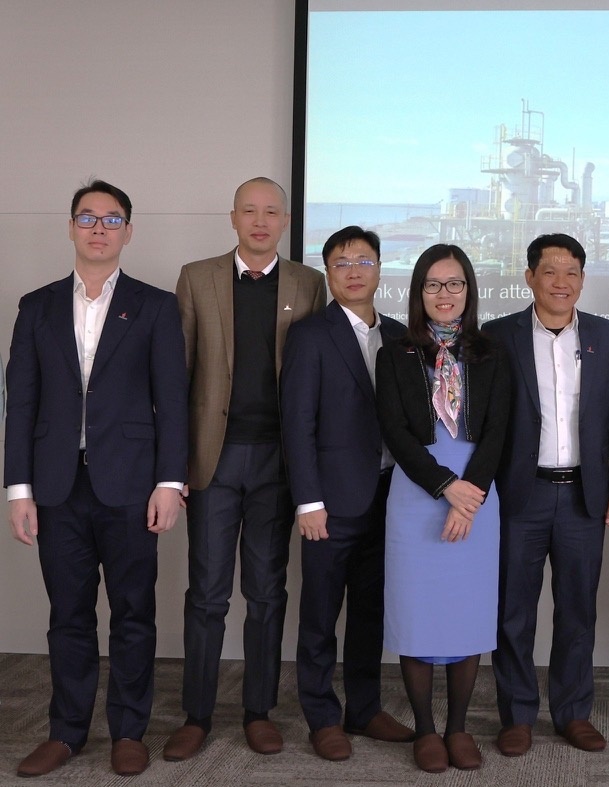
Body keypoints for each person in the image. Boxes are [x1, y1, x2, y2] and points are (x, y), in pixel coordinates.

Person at [5, 181, 187, 777]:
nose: (99, 228)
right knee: (68, 615)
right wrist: (19, 490)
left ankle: (129, 730)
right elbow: (20, 404)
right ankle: (66, 732)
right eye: (88, 218)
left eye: (112, 219)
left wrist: (170, 482)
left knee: (133, 612)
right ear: (71, 227)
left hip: (132, 485)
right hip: (56, 487)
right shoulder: (36, 307)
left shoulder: (154, 306)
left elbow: (173, 402)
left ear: (128, 231)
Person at [165, 177, 327, 761]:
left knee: (266, 592)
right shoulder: (196, 277)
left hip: (278, 462)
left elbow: (315, 376)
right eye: (250, 211)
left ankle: (259, 711)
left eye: (271, 212)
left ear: (285, 221)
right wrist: (173, 467)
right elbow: (177, 374)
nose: (260, 221)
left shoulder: (309, 283)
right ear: (233, 218)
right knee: (207, 593)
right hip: (214, 458)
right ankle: (197, 715)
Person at [485, 234, 609, 756]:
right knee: (513, 612)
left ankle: (573, 712)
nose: (561, 282)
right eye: (549, 271)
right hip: (519, 496)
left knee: (578, 612)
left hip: (583, 496)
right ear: (530, 277)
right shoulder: (498, 336)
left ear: (582, 279)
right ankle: (517, 715)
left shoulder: (606, 336)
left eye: (571, 272)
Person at [280, 226, 414, 761]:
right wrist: (308, 501)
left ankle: (364, 708)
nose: (353, 271)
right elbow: (297, 423)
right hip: (330, 503)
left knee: (369, 610)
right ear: (327, 272)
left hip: (391, 497)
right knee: (320, 612)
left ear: (380, 269)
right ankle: (321, 716)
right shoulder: (310, 335)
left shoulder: (401, 335)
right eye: (341, 263)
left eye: (363, 261)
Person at [376, 244, 511, 773]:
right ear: (419, 292)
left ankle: (457, 728)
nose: (445, 293)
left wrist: (468, 493)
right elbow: (395, 431)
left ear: (469, 290)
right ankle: (426, 730)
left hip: (477, 493)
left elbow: (498, 430)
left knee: (466, 610)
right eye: (433, 284)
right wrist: (443, 487)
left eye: (455, 283)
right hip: (417, 493)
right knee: (417, 611)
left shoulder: (493, 352)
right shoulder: (395, 353)